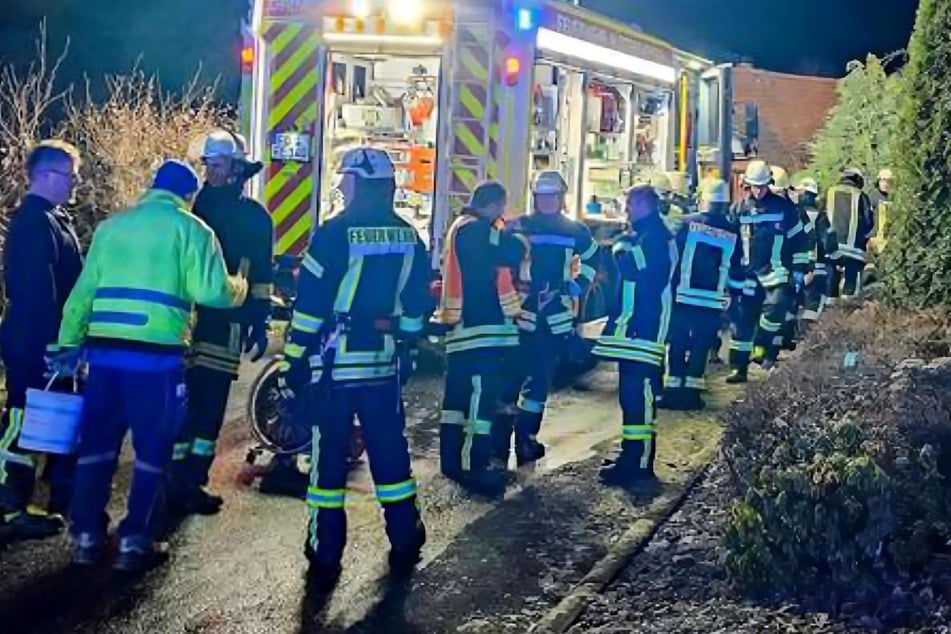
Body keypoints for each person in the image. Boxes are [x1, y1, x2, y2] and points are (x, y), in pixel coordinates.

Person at [56, 160, 247, 571]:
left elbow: (81, 296)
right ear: (189, 195)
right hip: (156, 361)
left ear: (151, 186)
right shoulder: (193, 230)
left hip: (103, 359)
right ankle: (133, 543)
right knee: (151, 452)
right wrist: (240, 286)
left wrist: (67, 345)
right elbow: (210, 291)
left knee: (96, 448)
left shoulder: (112, 228)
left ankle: (85, 537)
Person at [277, 147, 430, 586]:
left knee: (328, 460)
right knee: (389, 452)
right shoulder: (409, 236)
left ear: (362, 184)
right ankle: (405, 536)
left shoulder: (333, 235)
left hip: (335, 368)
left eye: (347, 180)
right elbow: (419, 304)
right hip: (382, 365)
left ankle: (325, 551)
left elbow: (310, 307)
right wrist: (404, 338)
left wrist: (293, 360)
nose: (342, 187)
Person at [167, 131, 273, 516]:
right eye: (207, 165)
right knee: (181, 406)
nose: (211, 172)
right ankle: (175, 479)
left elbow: (261, 273)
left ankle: (191, 480)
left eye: (218, 164)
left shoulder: (254, 217)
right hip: (182, 322)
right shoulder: (190, 209)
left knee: (208, 408)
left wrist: (258, 321)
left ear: (237, 168)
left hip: (223, 323)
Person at [0, 141, 84, 542]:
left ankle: (25, 500)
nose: (74, 183)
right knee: (20, 418)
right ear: (48, 175)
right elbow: (38, 292)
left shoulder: (52, 218)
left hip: (46, 340)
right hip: (34, 341)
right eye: (70, 176)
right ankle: (6, 507)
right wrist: (54, 344)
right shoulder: (34, 223)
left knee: (36, 421)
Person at [502, 170, 599, 466]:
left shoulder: (576, 231)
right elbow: (502, 262)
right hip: (519, 313)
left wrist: (575, 285)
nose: (545, 201)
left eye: (550, 196)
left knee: (539, 383)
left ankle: (526, 441)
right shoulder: (519, 226)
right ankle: (498, 444)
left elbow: (594, 259)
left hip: (553, 318)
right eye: (541, 196)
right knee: (509, 382)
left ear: (560, 197)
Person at [437, 182, 528, 496]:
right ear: (496, 205)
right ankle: (473, 465)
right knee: (480, 399)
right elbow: (511, 252)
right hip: (480, 327)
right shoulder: (477, 230)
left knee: (457, 401)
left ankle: (452, 459)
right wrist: (514, 233)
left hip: (464, 327)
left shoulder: (461, 227)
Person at [592, 185, 677, 488]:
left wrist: (621, 245)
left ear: (645, 205)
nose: (625, 209)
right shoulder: (648, 234)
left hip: (646, 327)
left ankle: (639, 466)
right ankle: (631, 458)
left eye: (629, 204)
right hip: (636, 328)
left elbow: (634, 267)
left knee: (639, 397)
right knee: (631, 397)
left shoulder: (656, 238)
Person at [664, 179, 743, 411]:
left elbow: (671, 256)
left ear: (703, 199)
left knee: (677, 343)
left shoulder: (686, 224)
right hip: (712, 300)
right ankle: (691, 395)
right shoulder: (732, 231)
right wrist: (736, 297)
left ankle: (672, 392)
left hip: (682, 295)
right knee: (701, 345)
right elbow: (737, 269)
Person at [727, 160, 809, 383]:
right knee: (742, 322)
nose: (758, 190)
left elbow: (801, 241)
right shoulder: (738, 209)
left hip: (776, 271)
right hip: (748, 274)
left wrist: (800, 270)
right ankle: (738, 368)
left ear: (769, 183)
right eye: (754, 185)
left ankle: (761, 345)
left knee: (777, 307)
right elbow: (730, 243)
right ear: (747, 185)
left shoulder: (784, 209)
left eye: (762, 185)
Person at [795, 177, 838, 331]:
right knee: (812, 307)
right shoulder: (820, 217)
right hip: (817, 268)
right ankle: (803, 337)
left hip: (791, 270)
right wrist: (837, 261)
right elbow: (830, 243)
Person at [826, 168, 874, 301]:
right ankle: (848, 306)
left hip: (831, 244)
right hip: (853, 246)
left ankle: (830, 306)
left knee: (831, 276)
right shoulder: (861, 196)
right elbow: (868, 221)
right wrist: (863, 237)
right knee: (851, 279)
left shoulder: (829, 192)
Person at [867, 168, 892, 254]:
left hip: (888, 240)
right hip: (874, 239)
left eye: (888, 181)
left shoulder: (893, 198)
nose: (885, 184)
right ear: (878, 181)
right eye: (883, 180)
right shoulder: (873, 196)